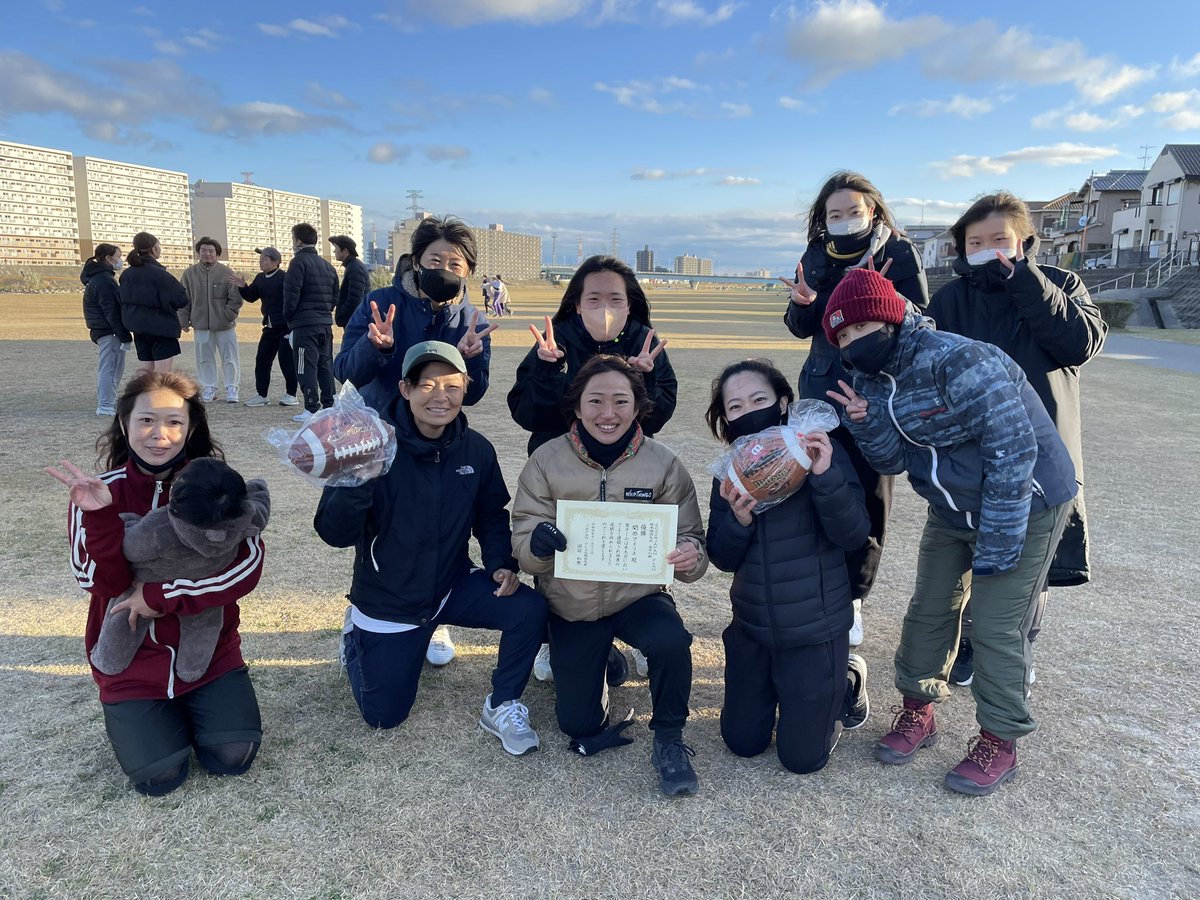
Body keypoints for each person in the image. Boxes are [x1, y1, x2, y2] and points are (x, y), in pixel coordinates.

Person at [823, 268, 1077, 796]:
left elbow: (1013, 449)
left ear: (891, 316)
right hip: (952, 508)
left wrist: (997, 547)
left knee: (994, 622)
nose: (853, 342)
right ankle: (919, 708)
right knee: (929, 607)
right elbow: (893, 459)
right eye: (842, 337)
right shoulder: (870, 380)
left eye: (862, 326)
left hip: (1024, 505)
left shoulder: (957, 358)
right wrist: (867, 422)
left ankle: (1000, 740)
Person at [313, 341, 547, 755]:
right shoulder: (370, 443)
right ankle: (356, 638)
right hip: (389, 600)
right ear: (405, 389)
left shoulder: (476, 449)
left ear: (465, 389)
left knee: (529, 609)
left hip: (449, 585)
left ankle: (503, 702)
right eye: (427, 385)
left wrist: (500, 563)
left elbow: (491, 514)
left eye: (452, 386)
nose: (440, 396)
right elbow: (333, 532)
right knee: (384, 716)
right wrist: (360, 480)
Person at [45, 371, 266, 796]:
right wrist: (100, 517)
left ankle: (199, 701)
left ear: (191, 428)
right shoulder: (96, 491)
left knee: (232, 757)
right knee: (159, 777)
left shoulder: (216, 487)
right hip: (131, 661)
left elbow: (246, 567)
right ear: (124, 422)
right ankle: (154, 714)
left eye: (174, 422)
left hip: (210, 652)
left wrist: (162, 596)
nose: (159, 434)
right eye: (146, 420)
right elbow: (96, 579)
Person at [926, 192, 1107, 686]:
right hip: (970, 451)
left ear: (1025, 241)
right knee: (969, 549)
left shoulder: (1063, 285)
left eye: (1000, 240)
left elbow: (1079, 343)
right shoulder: (950, 299)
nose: (989, 250)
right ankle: (965, 646)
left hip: (1041, 453)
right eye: (976, 242)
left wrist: (1027, 281)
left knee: (1029, 565)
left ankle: (1016, 650)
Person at [511, 355, 708, 796]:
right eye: (595, 400)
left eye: (621, 401)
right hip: (572, 604)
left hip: (636, 597)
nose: (608, 413)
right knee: (577, 724)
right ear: (577, 407)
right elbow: (524, 540)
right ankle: (605, 660)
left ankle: (670, 736)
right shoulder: (545, 460)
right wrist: (538, 545)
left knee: (670, 639)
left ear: (637, 407)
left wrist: (690, 556)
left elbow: (692, 536)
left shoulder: (663, 464)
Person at [334, 215, 496, 667]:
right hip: (379, 438)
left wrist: (472, 361)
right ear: (416, 261)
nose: (445, 267)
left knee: (435, 526)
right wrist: (378, 347)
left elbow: (475, 394)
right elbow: (344, 369)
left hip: (436, 443)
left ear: (468, 270)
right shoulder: (379, 301)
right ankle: (363, 609)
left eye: (456, 263)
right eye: (435, 259)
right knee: (377, 530)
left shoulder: (471, 317)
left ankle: (434, 615)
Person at [508, 254, 678, 683]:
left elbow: (658, 416)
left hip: (626, 468)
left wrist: (646, 383)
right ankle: (554, 640)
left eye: (616, 299)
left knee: (628, 552)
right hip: (561, 468)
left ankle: (645, 633)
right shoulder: (555, 341)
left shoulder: (645, 341)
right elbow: (526, 411)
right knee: (558, 552)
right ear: (577, 303)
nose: (606, 308)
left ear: (630, 304)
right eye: (594, 298)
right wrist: (547, 371)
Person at [783, 172, 930, 648]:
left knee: (870, 495)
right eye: (835, 214)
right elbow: (799, 325)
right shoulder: (815, 255)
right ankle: (818, 585)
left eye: (854, 210)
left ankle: (854, 599)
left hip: (877, 391)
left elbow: (921, 319)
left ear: (874, 211)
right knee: (819, 486)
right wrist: (804, 305)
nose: (846, 220)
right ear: (823, 221)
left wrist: (882, 295)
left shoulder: (900, 253)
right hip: (822, 389)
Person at [705, 359, 871, 774]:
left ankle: (846, 679)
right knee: (742, 743)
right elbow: (722, 557)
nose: (749, 411)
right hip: (754, 628)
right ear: (726, 418)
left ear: (782, 403)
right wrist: (739, 522)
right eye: (736, 406)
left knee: (802, 759)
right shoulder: (731, 472)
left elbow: (853, 535)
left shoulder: (820, 453)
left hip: (815, 631)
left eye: (759, 399)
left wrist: (824, 476)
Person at [89, 458, 270, 685]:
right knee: (204, 625)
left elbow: (130, 547)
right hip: (206, 600)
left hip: (147, 582)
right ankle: (191, 670)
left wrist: (122, 521)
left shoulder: (161, 527)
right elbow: (260, 498)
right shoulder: (247, 517)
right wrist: (256, 488)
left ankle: (109, 660)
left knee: (125, 615)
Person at [231, 247, 299, 407]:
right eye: (260, 259)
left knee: (286, 361)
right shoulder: (260, 278)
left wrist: (293, 327)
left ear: (275, 262)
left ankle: (291, 394)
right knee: (262, 360)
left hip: (285, 327)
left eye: (264, 260)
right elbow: (252, 297)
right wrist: (243, 286)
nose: (260, 262)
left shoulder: (285, 278)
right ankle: (262, 395)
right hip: (269, 328)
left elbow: (294, 300)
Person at [283, 223, 338, 422]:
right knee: (325, 364)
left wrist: (289, 318)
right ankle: (329, 404)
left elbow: (291, 295)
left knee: (304, 366)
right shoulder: (328, 265)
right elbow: (335, 296)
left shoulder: (298, 263)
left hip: (304, 325)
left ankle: (311, 407)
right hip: (324, 322)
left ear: (298, 241)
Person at [180, 237, 244, 403]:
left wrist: (228, 315)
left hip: (225, 325)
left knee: (230, 357)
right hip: (200, 324)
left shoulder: (227, 272)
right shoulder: (189, 274)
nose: (207, 254)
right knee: (204, 357)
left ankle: (232, 387)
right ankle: (209, 387)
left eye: (211, 251)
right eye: (203, 250)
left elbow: (235, 299)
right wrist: (184, 319)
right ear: (198, 253)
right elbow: (183, 299)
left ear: (217, 254)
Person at [118, 231, 188, 376]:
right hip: (161, 328)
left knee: (145, 368)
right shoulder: (160, 274)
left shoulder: (126, 274)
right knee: (161, 372)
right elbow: (181, 299)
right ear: (154, 249)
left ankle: (139, 395)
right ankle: (155, 397)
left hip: (138, 327)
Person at [81, 243, 131, 416]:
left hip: (104, 329)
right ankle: (106, 404)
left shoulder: (100, 278)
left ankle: (109, 401)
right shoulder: (104, 280)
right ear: (109, 258)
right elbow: (111, 310)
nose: (120, 260)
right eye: (118, 256)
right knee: (110, 367)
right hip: (108, 331)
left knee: (113, 367)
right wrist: (124, 334)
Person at [330, 235, 370, 330]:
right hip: (356, 319)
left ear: (345, 251)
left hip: (355, 321)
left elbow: (355, 298)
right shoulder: (353, 265)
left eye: (336, 248)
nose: (334, 251)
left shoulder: (354, 267)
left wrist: (342, 313)